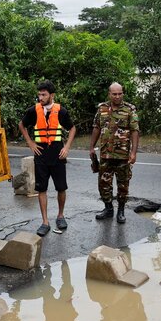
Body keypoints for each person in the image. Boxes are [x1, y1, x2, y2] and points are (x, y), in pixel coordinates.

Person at [18, 80, 76, 236]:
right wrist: (30, 143)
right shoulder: (33, 111)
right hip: (40, 154)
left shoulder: (61, 111)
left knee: (61, 187)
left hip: (57, 153)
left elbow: (72, 128)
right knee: (41, 188)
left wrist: (67, 147)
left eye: (43, 95)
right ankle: (45, 222)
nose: (40, 97)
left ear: (52, 95)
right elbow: (21, 125)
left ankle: (60, 216)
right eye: (39, 94)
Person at [89, 82, 139, 224]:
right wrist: (91, 147)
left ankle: (121, 211)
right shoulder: (102, 108)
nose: (117, 96)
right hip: (105, 155)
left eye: (120, 93)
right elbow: (96, 127)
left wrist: (133, 152)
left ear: (123, 93)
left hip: (123, 156)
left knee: (123, 185)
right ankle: (108, 208)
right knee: (104, 184)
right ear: (109, 94)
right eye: (114, 94)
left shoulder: (130, 109)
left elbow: (135, 131)